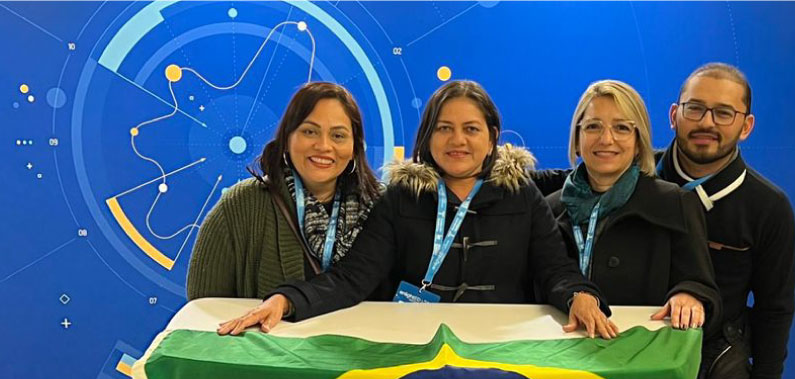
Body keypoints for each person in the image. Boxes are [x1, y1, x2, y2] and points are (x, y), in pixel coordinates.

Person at [218, 80, 616, 338]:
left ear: (492, 136)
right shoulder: (401, 197)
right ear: (427, 136)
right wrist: (285, 300)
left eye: (471, 129)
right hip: (416, 348)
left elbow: (554, 269)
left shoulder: (522, 196)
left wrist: (580, 294)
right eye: (444, 128)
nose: (457, 140)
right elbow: (353, 278)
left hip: (500, 347)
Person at [658, 63, 795, 379]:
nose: (706, 123)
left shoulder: (769, 207)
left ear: (746, 126)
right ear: (674, 114)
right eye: (696, 108)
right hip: (620, 362)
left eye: (724, 113)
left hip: (706, 377)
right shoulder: (634, 183)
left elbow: (775, 308)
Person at [543, 80, 719, 332]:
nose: (606, 139)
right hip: (563, 353)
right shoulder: (550, 210)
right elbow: (539, 281)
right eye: (593, 126)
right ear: (577, 140)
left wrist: (689, 295)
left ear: (638, 142)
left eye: (622, 128)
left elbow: (700, 283)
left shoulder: (676, 203)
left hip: (642, 357)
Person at [186, 82, 382, 300]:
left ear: (355, 148)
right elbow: (204, 313)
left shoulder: (381, 210)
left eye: (338, 136)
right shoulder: (239, 206)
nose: (324, 146)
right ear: (287, 139)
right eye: (309, 131)